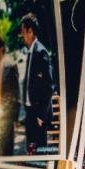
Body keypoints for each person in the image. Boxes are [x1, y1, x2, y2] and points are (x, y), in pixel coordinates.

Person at [20, 13, 54, 153]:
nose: (22, 35)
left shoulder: (41, 52)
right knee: (31, 152)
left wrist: (41, 115)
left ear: (30, 31)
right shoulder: (30, 52)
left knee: (40, 153)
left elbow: (49, 86)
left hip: (39, 114)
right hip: (30, 112)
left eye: (23, 32)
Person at [0, 35, 20, 156]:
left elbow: (16, 93)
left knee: (7, 152)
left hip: (6, 117)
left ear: (1, 49)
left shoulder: (11, 67)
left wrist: (15, 118)